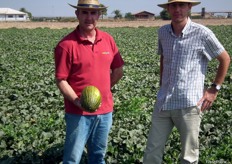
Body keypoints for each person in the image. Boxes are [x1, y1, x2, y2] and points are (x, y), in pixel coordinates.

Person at [143, 0, 231, 163]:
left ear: (189, 7)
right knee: (152, 151)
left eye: (182, 5)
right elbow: (164, 58)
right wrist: (162, 84)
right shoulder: (163, 32)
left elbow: (225, 59)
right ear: (168, 8)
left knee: (188, 156)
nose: (178, 9)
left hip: (189, 104)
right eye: (174, 5)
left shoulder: (202, 33)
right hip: (164, 101)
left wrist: (214, 89)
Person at [54, 0, 124, 163]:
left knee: (98, 156)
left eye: (93, 13)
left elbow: (118, 71)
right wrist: (78, 101)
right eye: (84, 12)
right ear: (77, 14)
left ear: (99, 15)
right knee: (72, 158)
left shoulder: (108, 40)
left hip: (105, 111)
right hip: (77, 113)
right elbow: (61, 80)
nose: (89, 17)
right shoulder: (66, 45)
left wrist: (104, 90)